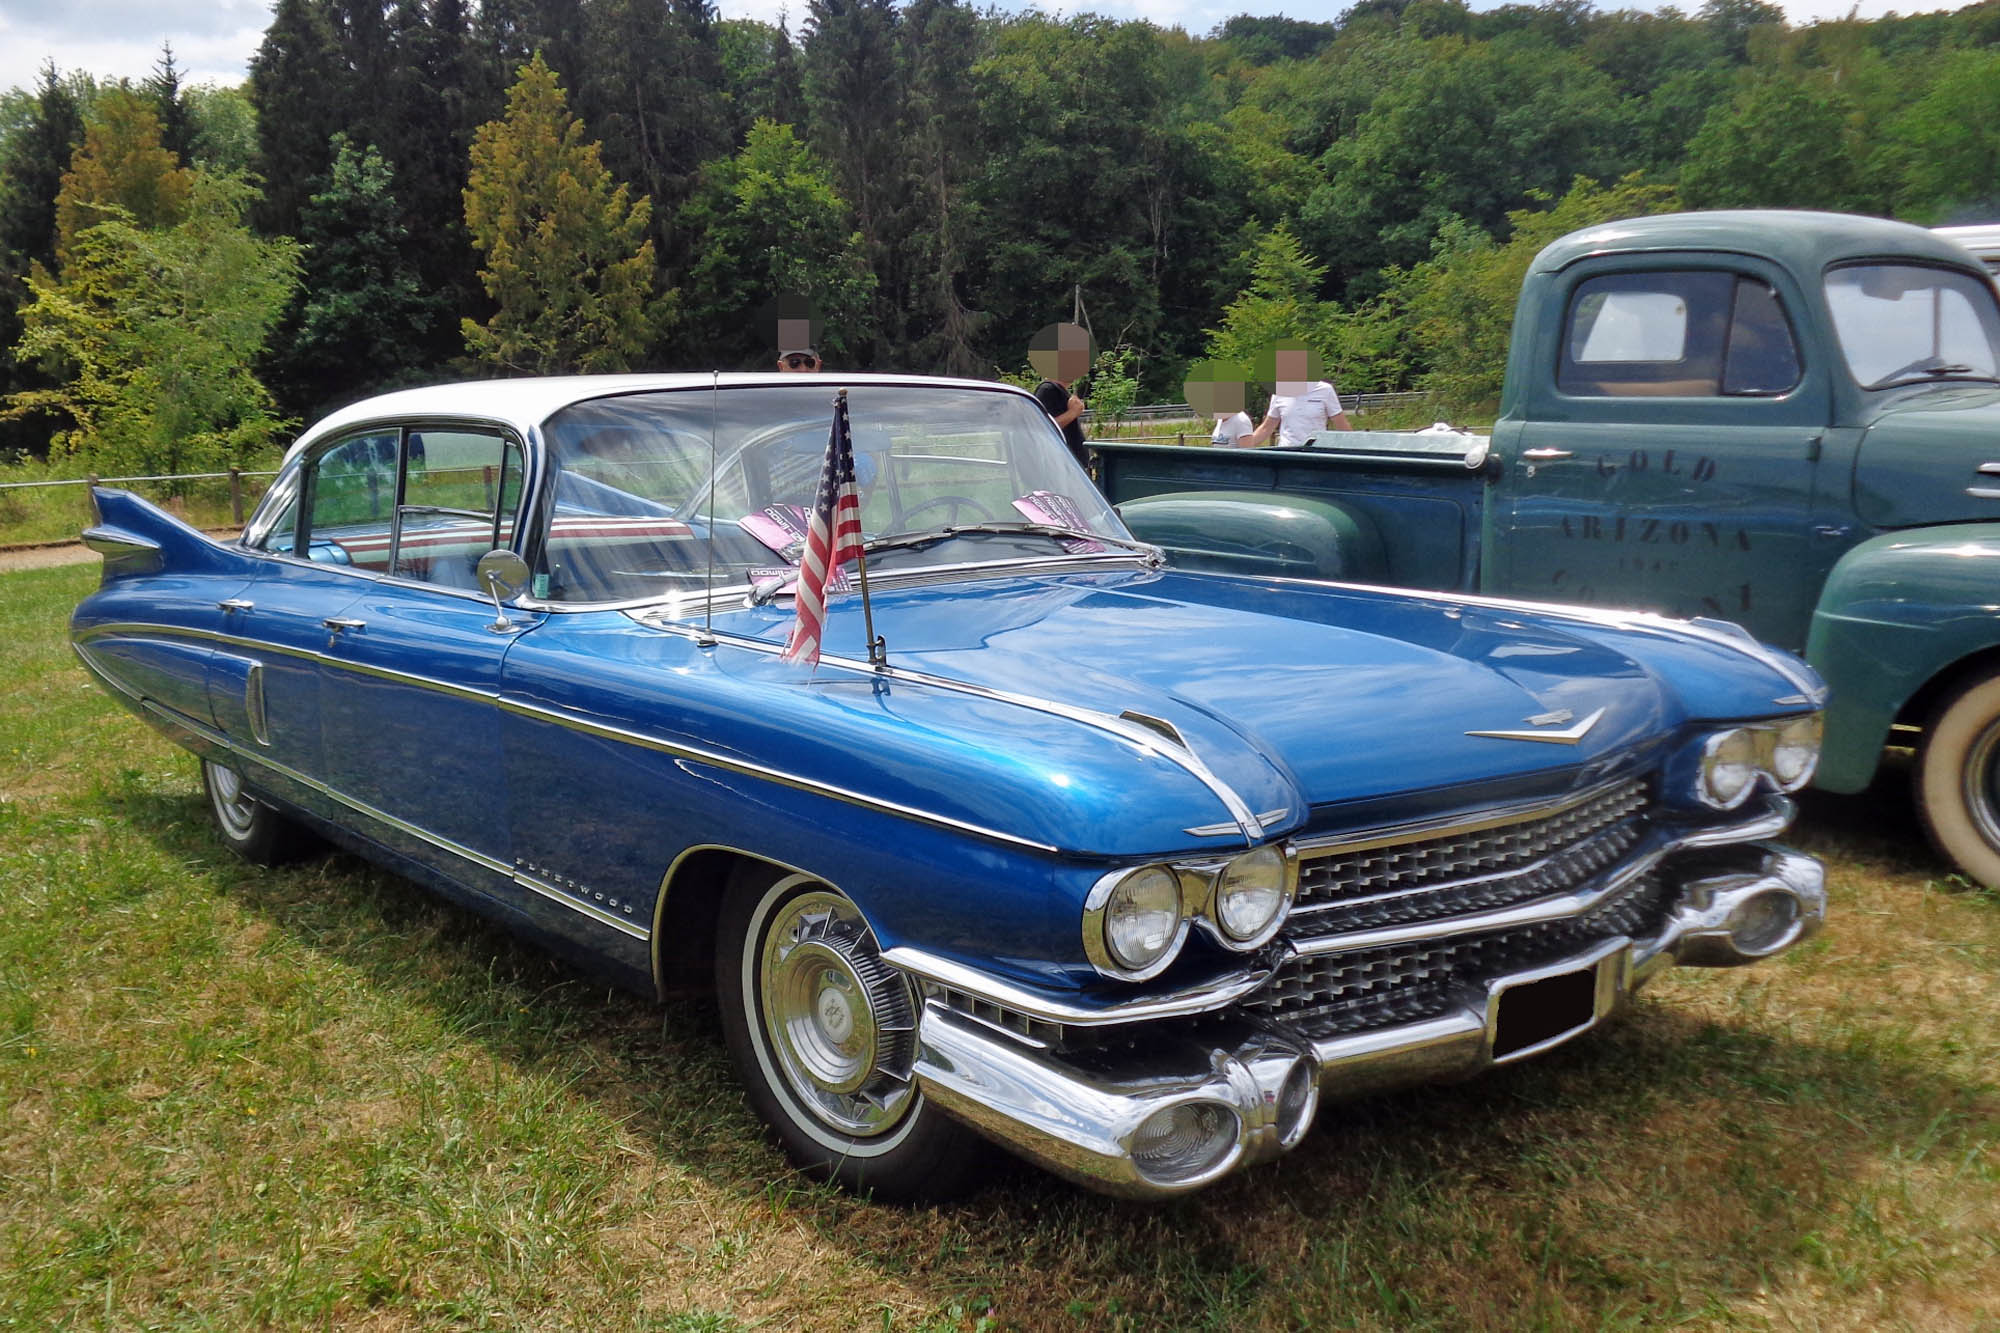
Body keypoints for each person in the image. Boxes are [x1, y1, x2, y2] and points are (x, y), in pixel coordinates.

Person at [1244, 345, 1352, 447]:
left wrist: (1356, 448)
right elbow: (1266, 428)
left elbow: (1341, 425)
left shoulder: (1325, 390)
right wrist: (1242, 447)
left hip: (1316, 452)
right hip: (1287, 452)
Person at [1028, 322, 1092, 469]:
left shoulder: (1058, 391)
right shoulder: (1047, 390)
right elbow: (1042, 427)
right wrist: (1072, 413)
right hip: (1060, 468)